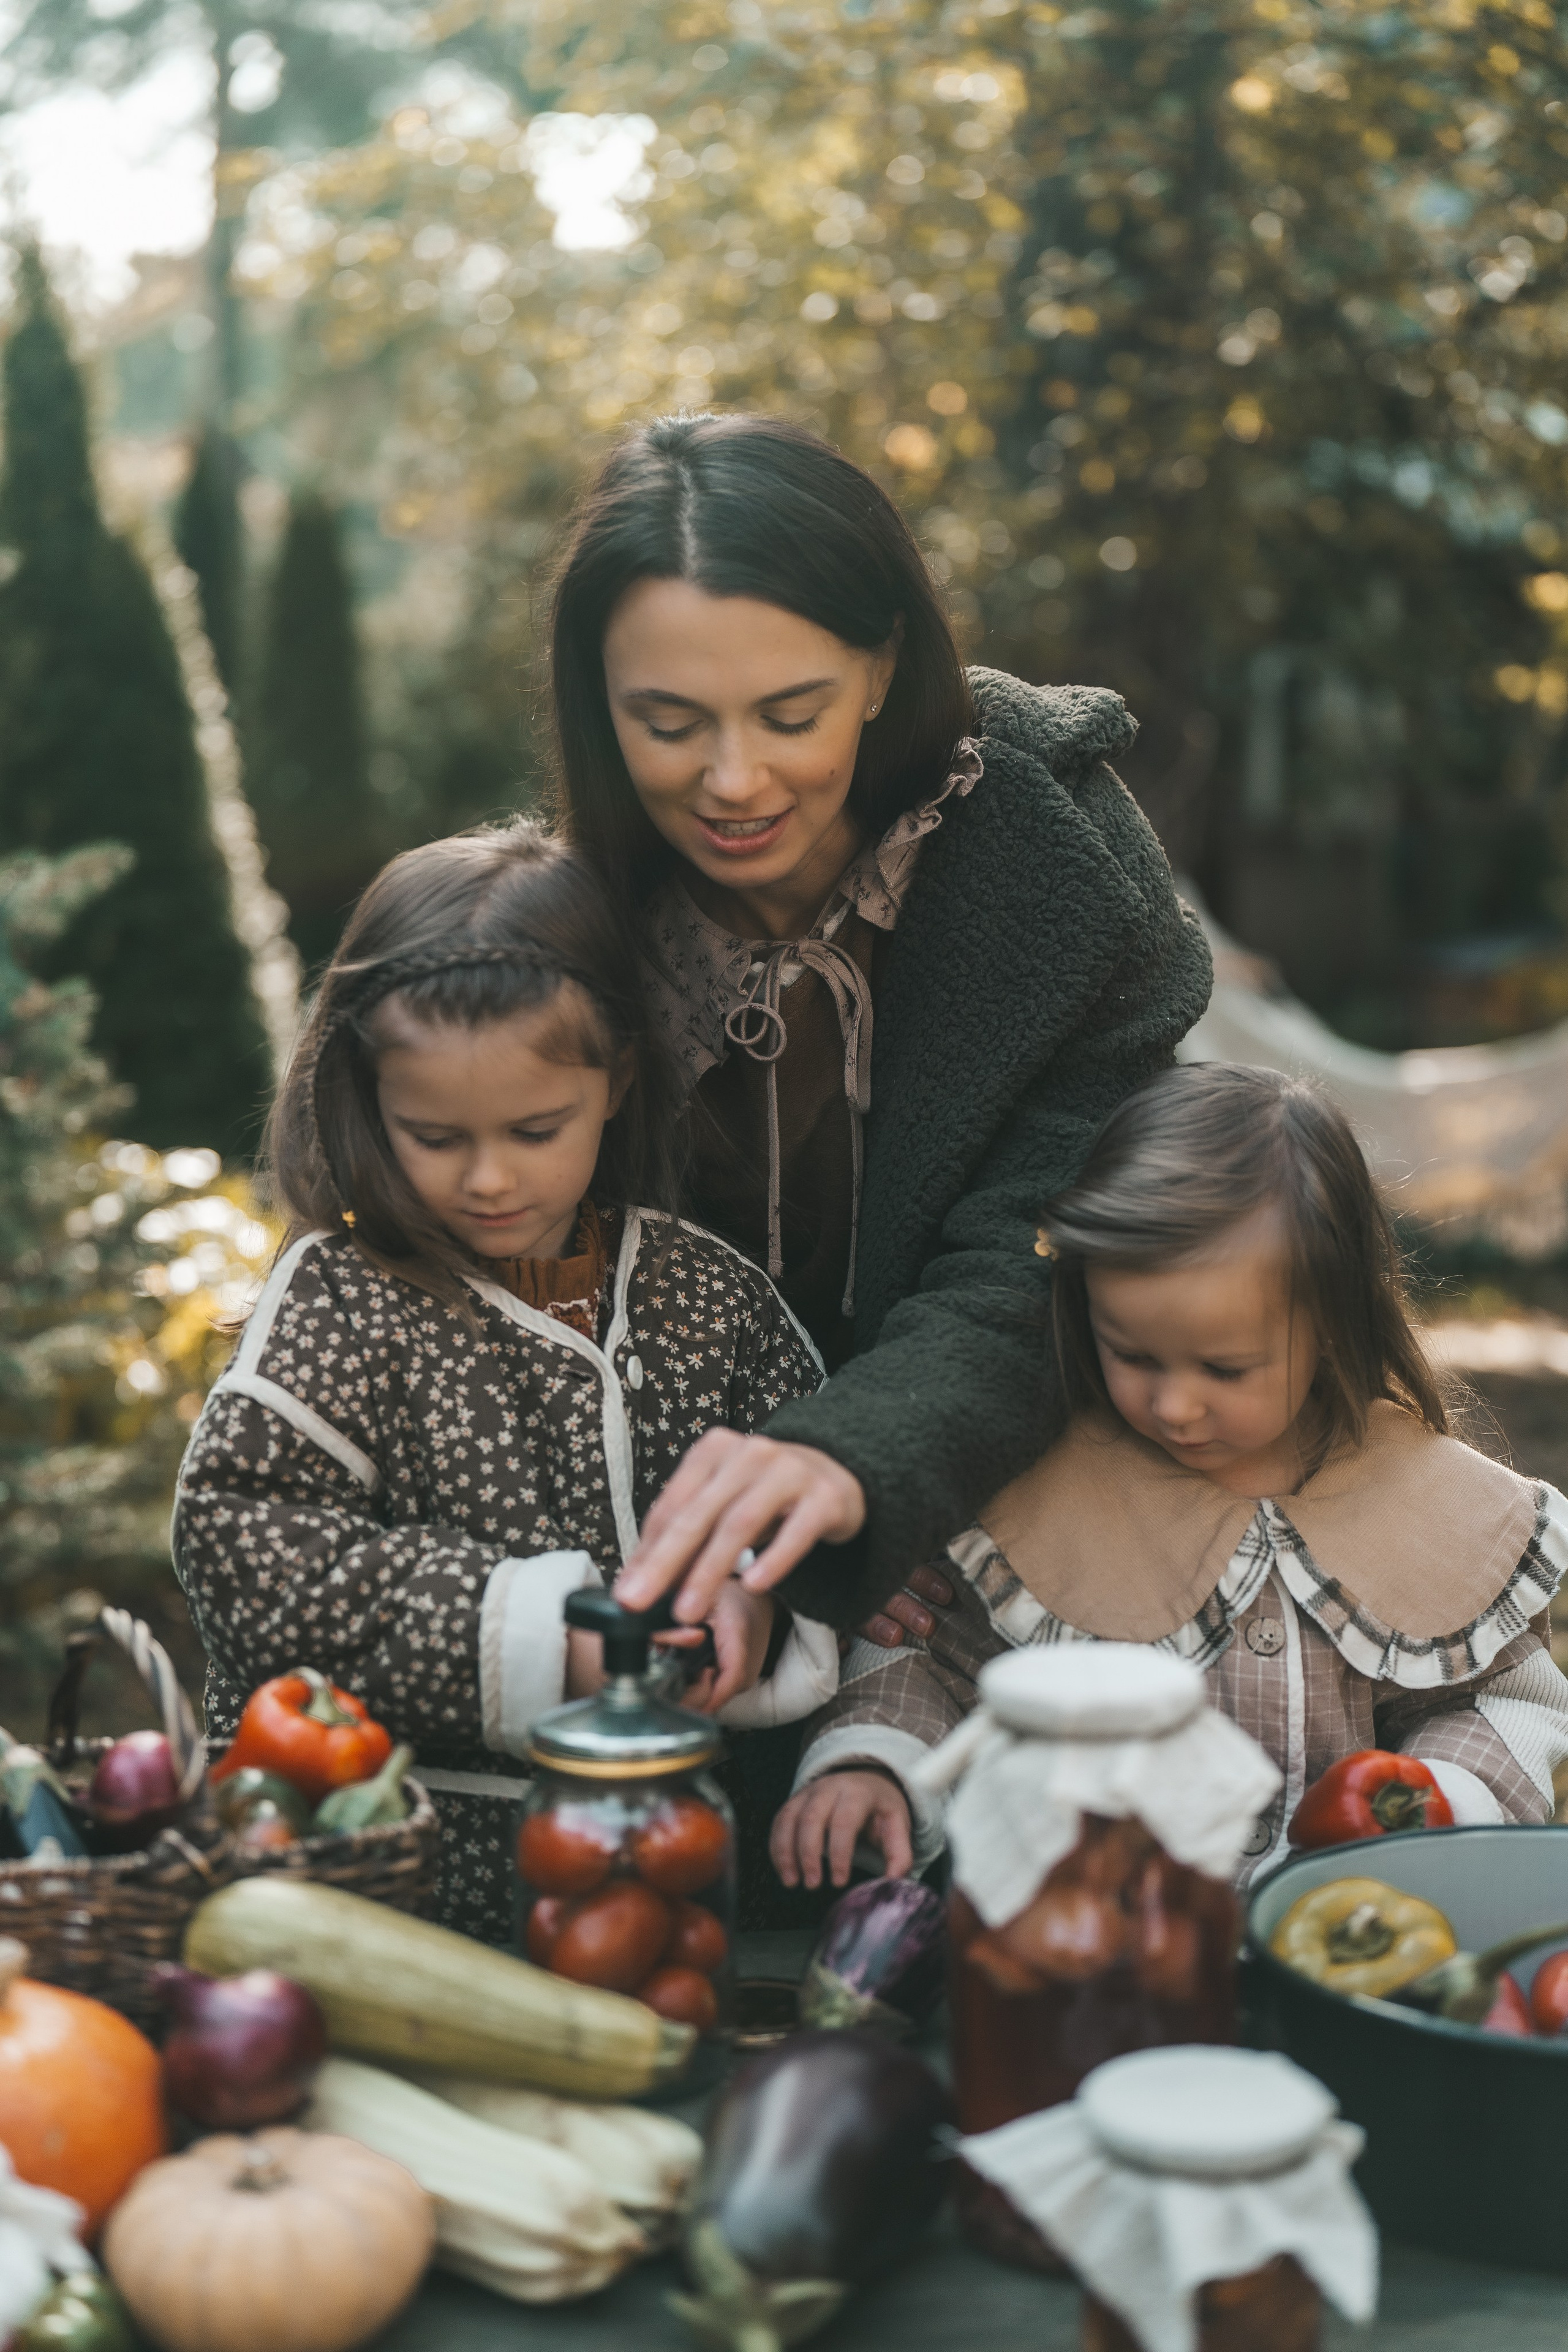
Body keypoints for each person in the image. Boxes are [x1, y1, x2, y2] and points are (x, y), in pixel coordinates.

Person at [549, 412, 1214, 1660]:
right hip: (672, 1555)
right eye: (669, 723)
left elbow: (1050, 1239)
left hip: (1034, 1515)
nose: (733, 781)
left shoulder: (1052, 850)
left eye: (789, 713)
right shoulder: (557, 933)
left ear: (879, 665)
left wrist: (859, 1459)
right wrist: (729, 1515)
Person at [173, 821, 837, 1942]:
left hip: (671, 1903)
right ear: (366, 1094)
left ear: (618, 1080)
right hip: (396, 1909)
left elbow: (814, 1481)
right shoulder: (342, 1298)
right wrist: (538, 1638)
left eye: (537, 1129)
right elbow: (240, 1537)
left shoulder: (708, 1299)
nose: (488, 1180)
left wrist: (762, 1589)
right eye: (432, 1135)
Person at [774, 1063, 1568, 1891]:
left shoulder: (1435, 1507)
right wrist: (875, 1765)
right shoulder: (1033, 1498)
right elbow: (922, 1660)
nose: (1175, 1405)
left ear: (1332, 1328)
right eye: (1133, 1354)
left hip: (1342, 1948)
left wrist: (1435, 1803)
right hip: (1085, 1951)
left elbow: (1501, 1699)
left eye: (1225, 1369)